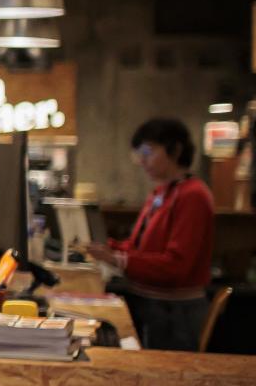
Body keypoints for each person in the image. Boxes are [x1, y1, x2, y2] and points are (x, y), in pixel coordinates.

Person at [88, 117, 216, 350]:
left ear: (175, 150)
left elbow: (176, 267)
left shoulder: (193, 195)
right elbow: (141, 248)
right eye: (139, 154)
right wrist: (110, 248)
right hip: (154, 306)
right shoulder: (162, 192)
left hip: (175, 313)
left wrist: (117, 258)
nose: (141, 161)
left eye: (148, 152)